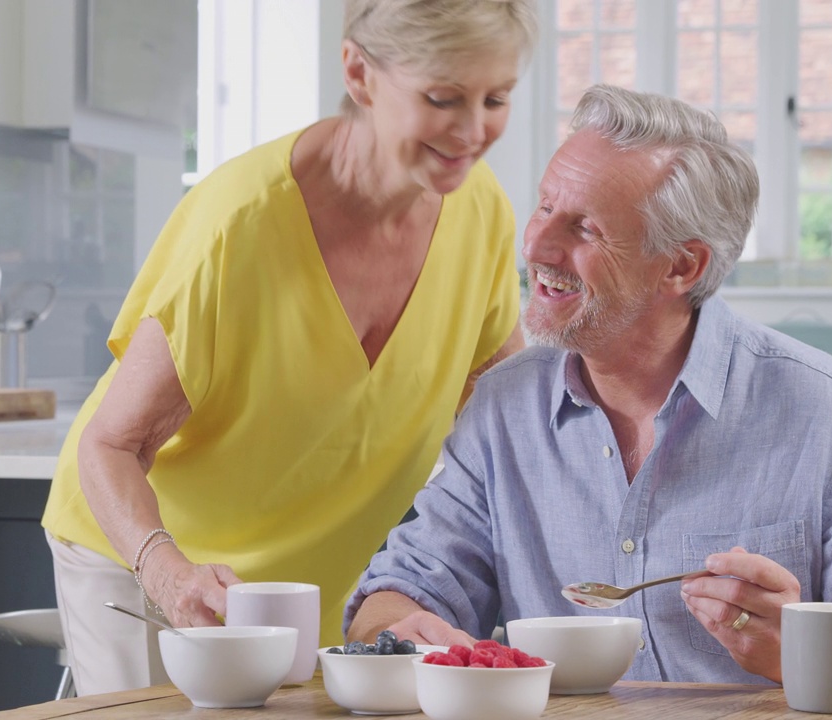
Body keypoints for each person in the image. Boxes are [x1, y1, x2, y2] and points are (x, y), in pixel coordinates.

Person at [344, 84, 832, 690]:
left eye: (585, 228)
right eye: (544, 206)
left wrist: (811, 651)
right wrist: (397, 630)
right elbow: (401, 590)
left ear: (682, 265)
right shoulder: (503, 410)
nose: (536, 244)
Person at [40, 0, 539, 696]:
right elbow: (111, 446)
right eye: (442, 98)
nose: (474, 129)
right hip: (154, 557)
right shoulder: (241, 227)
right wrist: (168, 575)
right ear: (360, 74)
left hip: (320, 582)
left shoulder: (481, 211)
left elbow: (503, 416)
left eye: (497, 98)